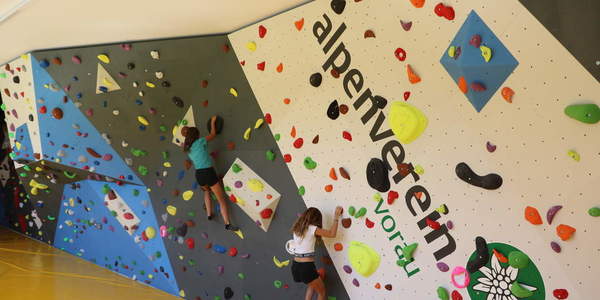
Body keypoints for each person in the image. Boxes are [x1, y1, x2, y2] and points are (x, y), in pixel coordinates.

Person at [182, 116, 238, 231]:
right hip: (208, 172)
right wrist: (212, 122)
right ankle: (227, 223)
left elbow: (184, 145)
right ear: (196, 136)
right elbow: (213, 134)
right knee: (221, 200)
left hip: (199, 175)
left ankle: (209, 214)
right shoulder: (200, 141)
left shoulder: (188, 149)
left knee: (206, 191)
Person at [289, 206, 343, 300]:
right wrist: (336, 216)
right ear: (316, 219)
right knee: (322, 292)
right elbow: (331, 234)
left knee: (312, 285)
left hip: (295, 267)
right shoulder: (312, 228)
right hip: (306, 267)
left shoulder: (297, 228)